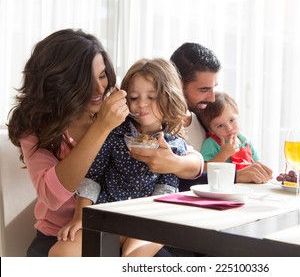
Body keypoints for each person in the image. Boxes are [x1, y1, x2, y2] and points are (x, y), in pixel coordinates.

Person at [6, 29, 201, 257]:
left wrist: (175, 163)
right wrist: (102, 128)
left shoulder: (127, 110)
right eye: (86, 81)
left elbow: (191, 158)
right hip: (63, 232)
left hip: (129, 226)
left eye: (102, 76)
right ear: (60, 83)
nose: (100, 90)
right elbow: (52, 195)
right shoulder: (36, 128)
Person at [49, 58, 189, 257]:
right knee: (61, 254)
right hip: (107, 216)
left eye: (152, 97)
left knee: (135, 258)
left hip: (149, 219)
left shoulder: (175, 145)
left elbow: (165, 190)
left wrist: (149, 224)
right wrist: (80, 218)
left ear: (169, 96)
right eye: (133, 97)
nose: (142, 104)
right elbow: (92, 177)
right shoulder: (114, 133)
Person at [130, 43, 272, 187]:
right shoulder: (151, 123)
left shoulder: (205, 118)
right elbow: (174, 181)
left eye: (213, 88)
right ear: (177, 84)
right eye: (204, 89)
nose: (212, 98)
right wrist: (234, 176)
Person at [198, 91, 261, 170]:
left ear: (238, 116)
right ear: (211, 130)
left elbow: (258, 164)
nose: (229, 128)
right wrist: (224, 154)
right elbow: (203, 169)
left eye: (232, 120)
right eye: (220, 126)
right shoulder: (211, 143)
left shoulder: (245, 141)